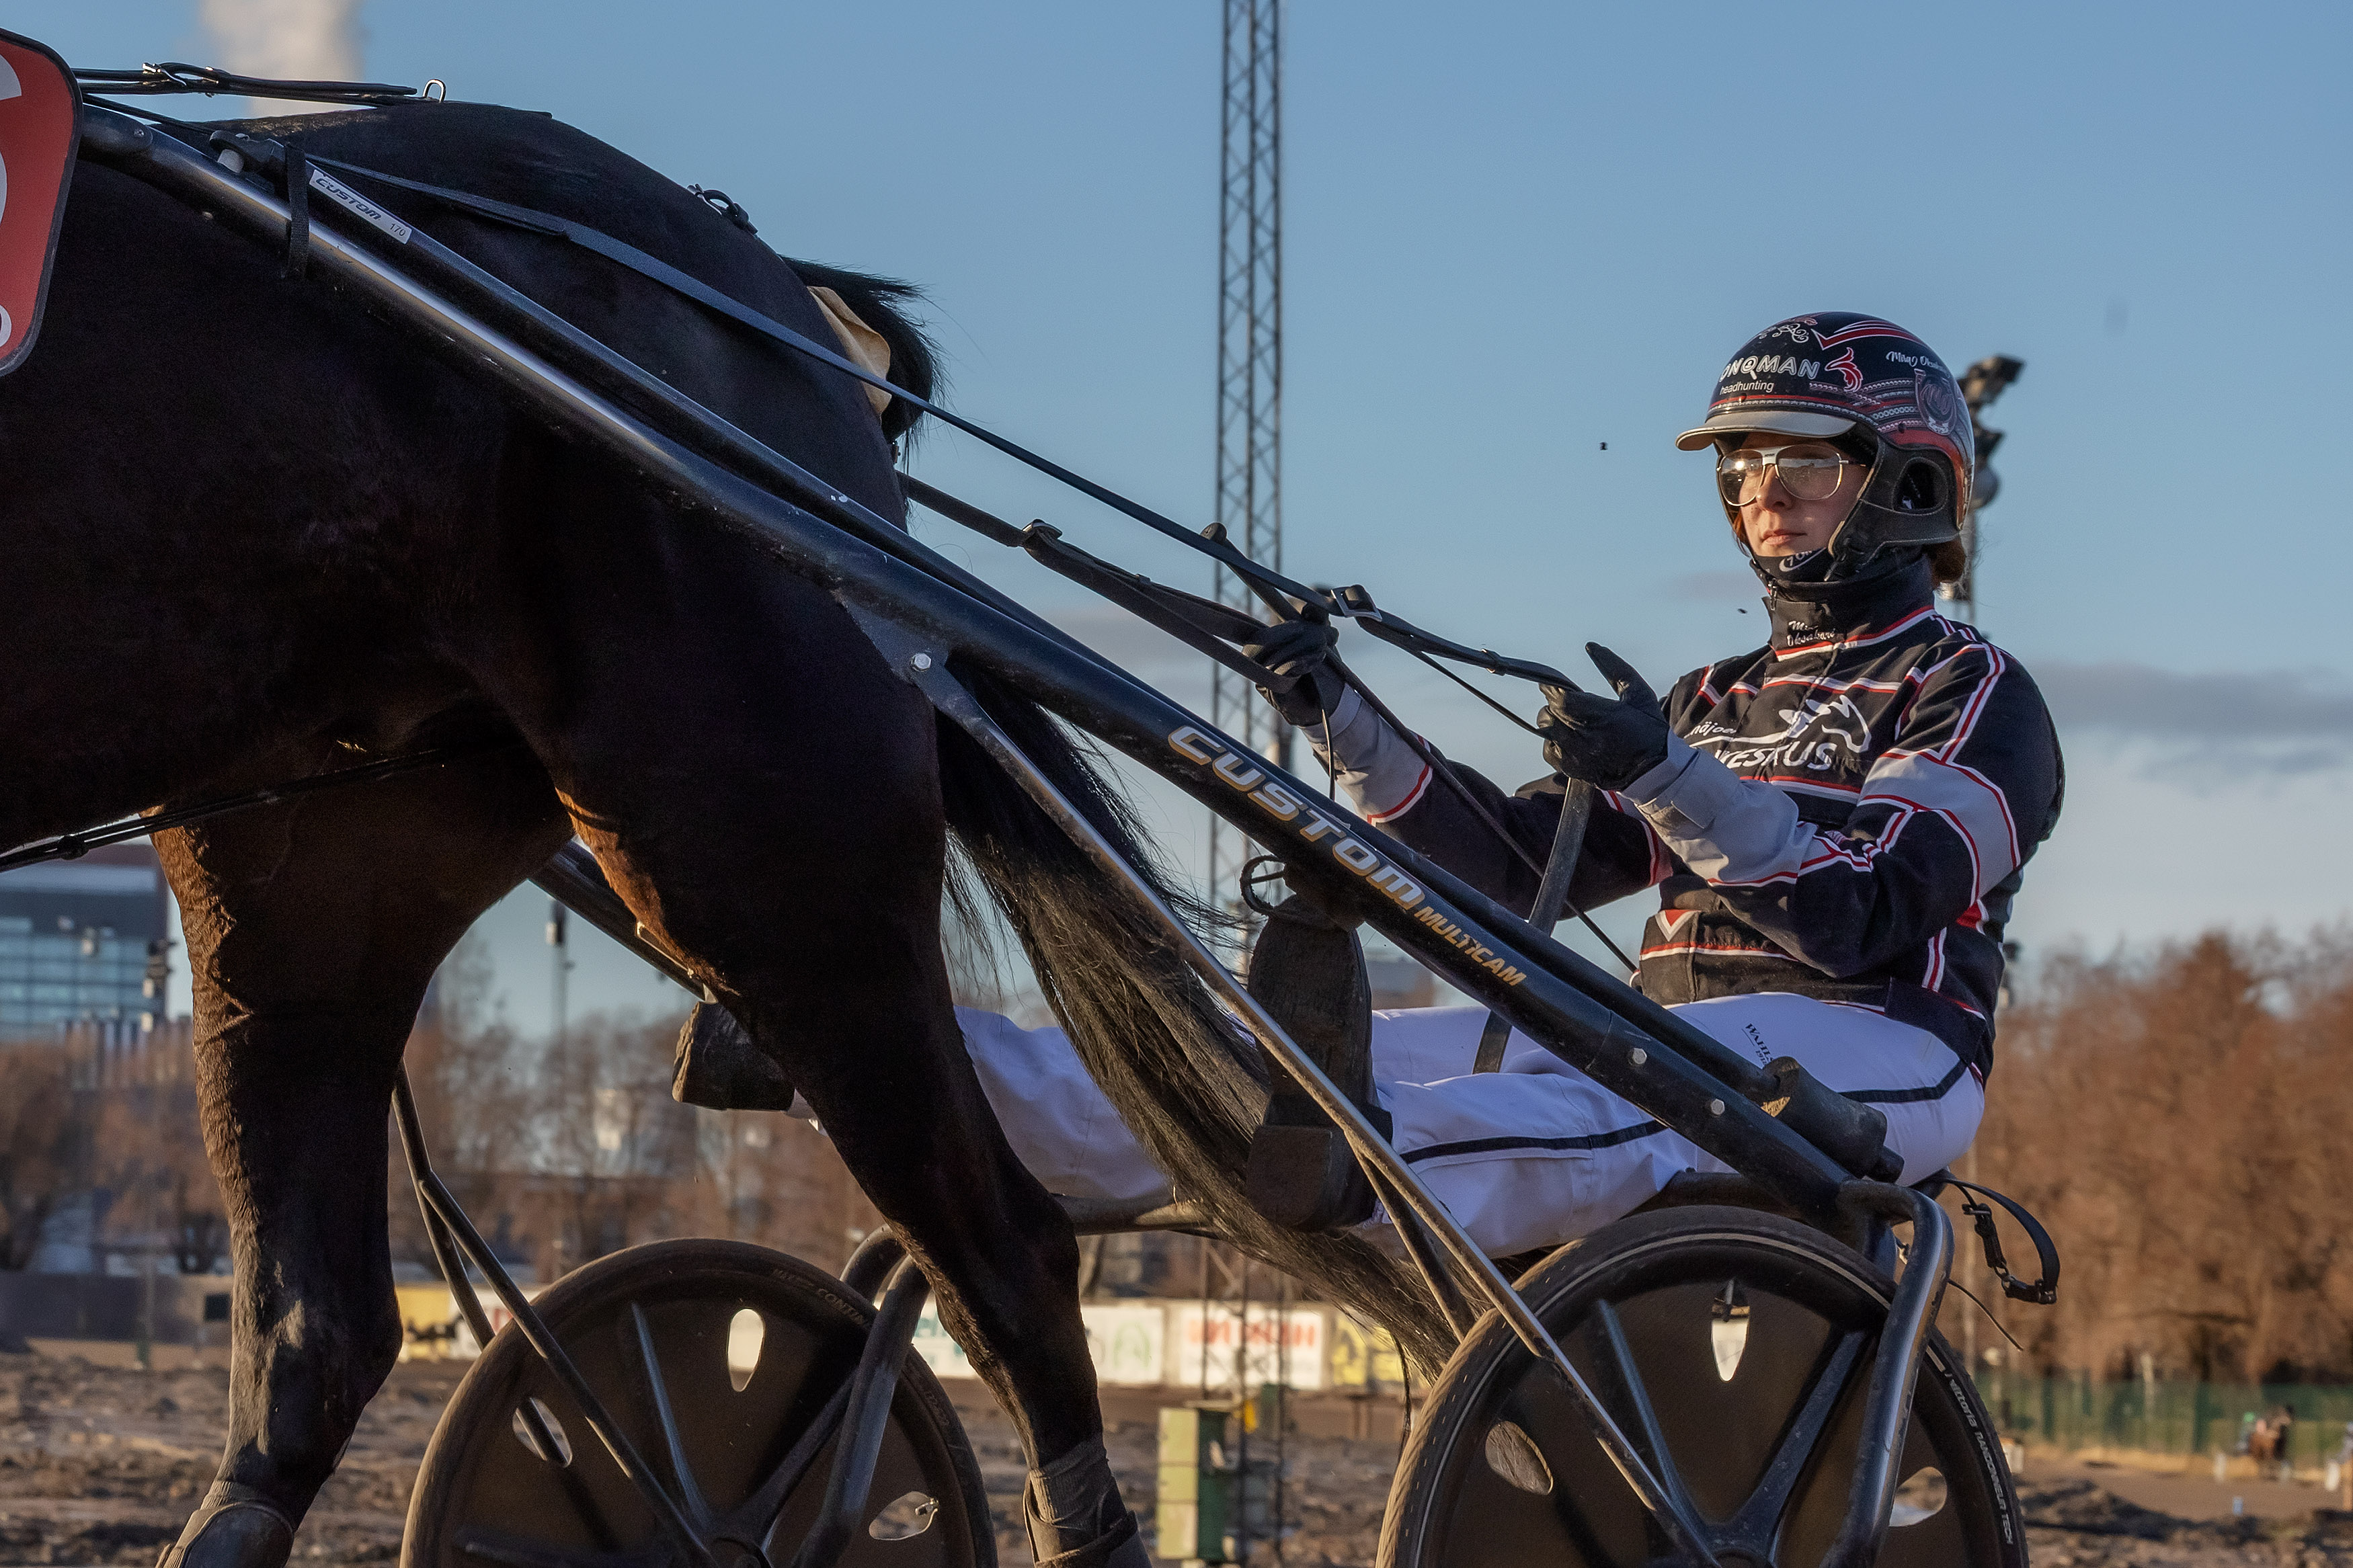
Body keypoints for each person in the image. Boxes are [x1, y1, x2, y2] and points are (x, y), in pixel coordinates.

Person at [814, 313, 2065, 1257]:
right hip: (1652, 1037)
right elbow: (1518, 869)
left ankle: (1363, 1173)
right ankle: (877, 1049)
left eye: (1803, 455)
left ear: (1909, 481)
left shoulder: (1977, 692)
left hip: (1881, 1049)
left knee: (1615, 1092)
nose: (1759, 488)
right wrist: (1341, 715)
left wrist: (1666, 773)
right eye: (1740, 460)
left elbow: (1867, 909)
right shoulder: (1708, 695)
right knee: (1282, 1056)